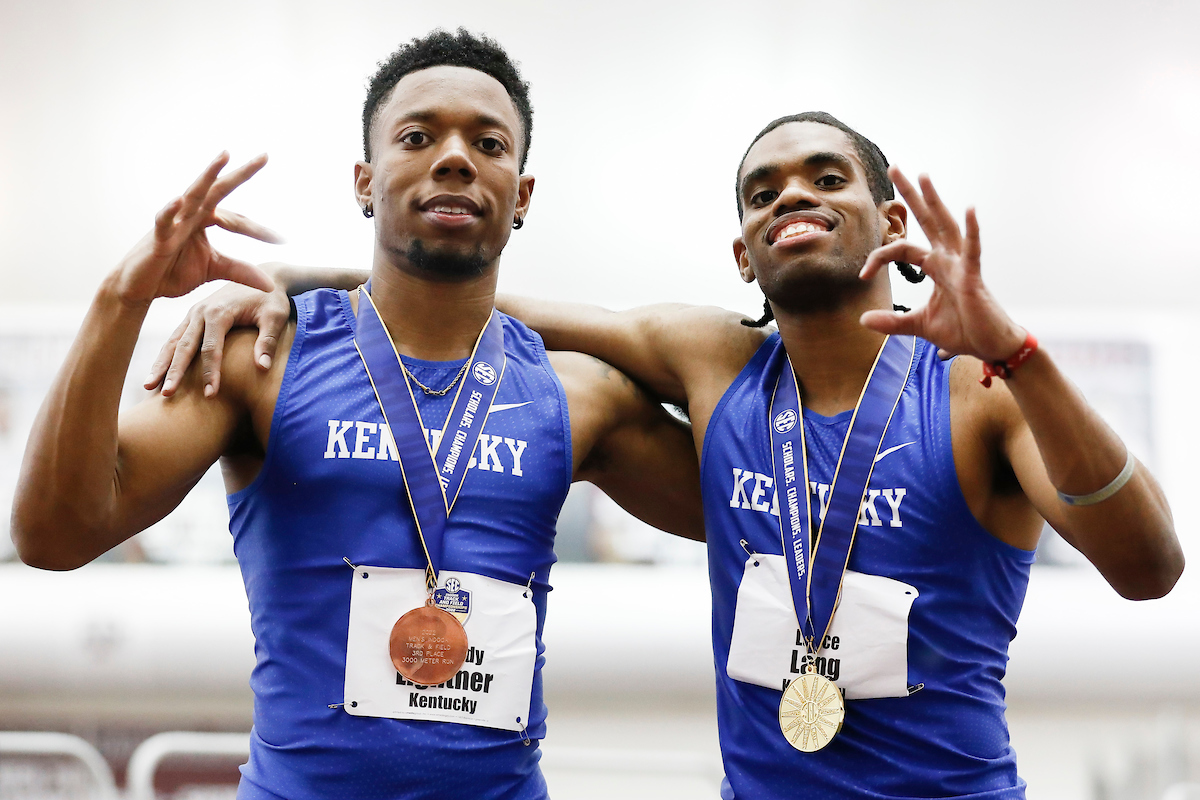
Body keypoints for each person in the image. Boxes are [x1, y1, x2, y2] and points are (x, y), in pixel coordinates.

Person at [164, 110, 1185, 798]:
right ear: (744, 251)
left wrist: (1021, 354)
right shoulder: (713, 361)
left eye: (827, 178)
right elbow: (486, 297)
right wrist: (285, 281)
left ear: (892, 221)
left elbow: (1152, 567)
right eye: (764, 190)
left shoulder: (975, 392)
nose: (794, 195)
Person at [11, 29, 704, 800]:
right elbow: (53, 535)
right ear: (364, 183)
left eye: (488, 142)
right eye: (417, 136)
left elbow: (759, 509)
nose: (453, 157)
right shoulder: (263, 361)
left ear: (522, 195)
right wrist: (122, 298)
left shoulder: (580, 396)